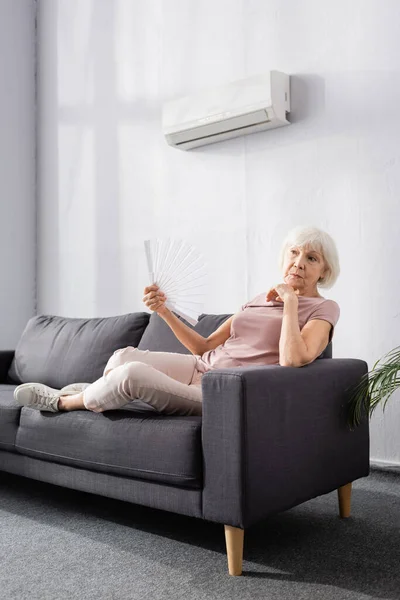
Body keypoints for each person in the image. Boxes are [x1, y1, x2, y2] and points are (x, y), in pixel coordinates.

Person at [13, 225, 340, 417]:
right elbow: (204, 346)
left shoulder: (323, 310)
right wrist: (165, 311)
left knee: (132, 374)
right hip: (200, 368)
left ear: (324, 271)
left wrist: (292, 303)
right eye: (293, 253)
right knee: (123, 357)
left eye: (311, 258)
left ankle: (62, 402)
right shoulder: (259, 299)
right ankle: (99, 392)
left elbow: (293, 359)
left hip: (226, 392)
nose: (298, 262)